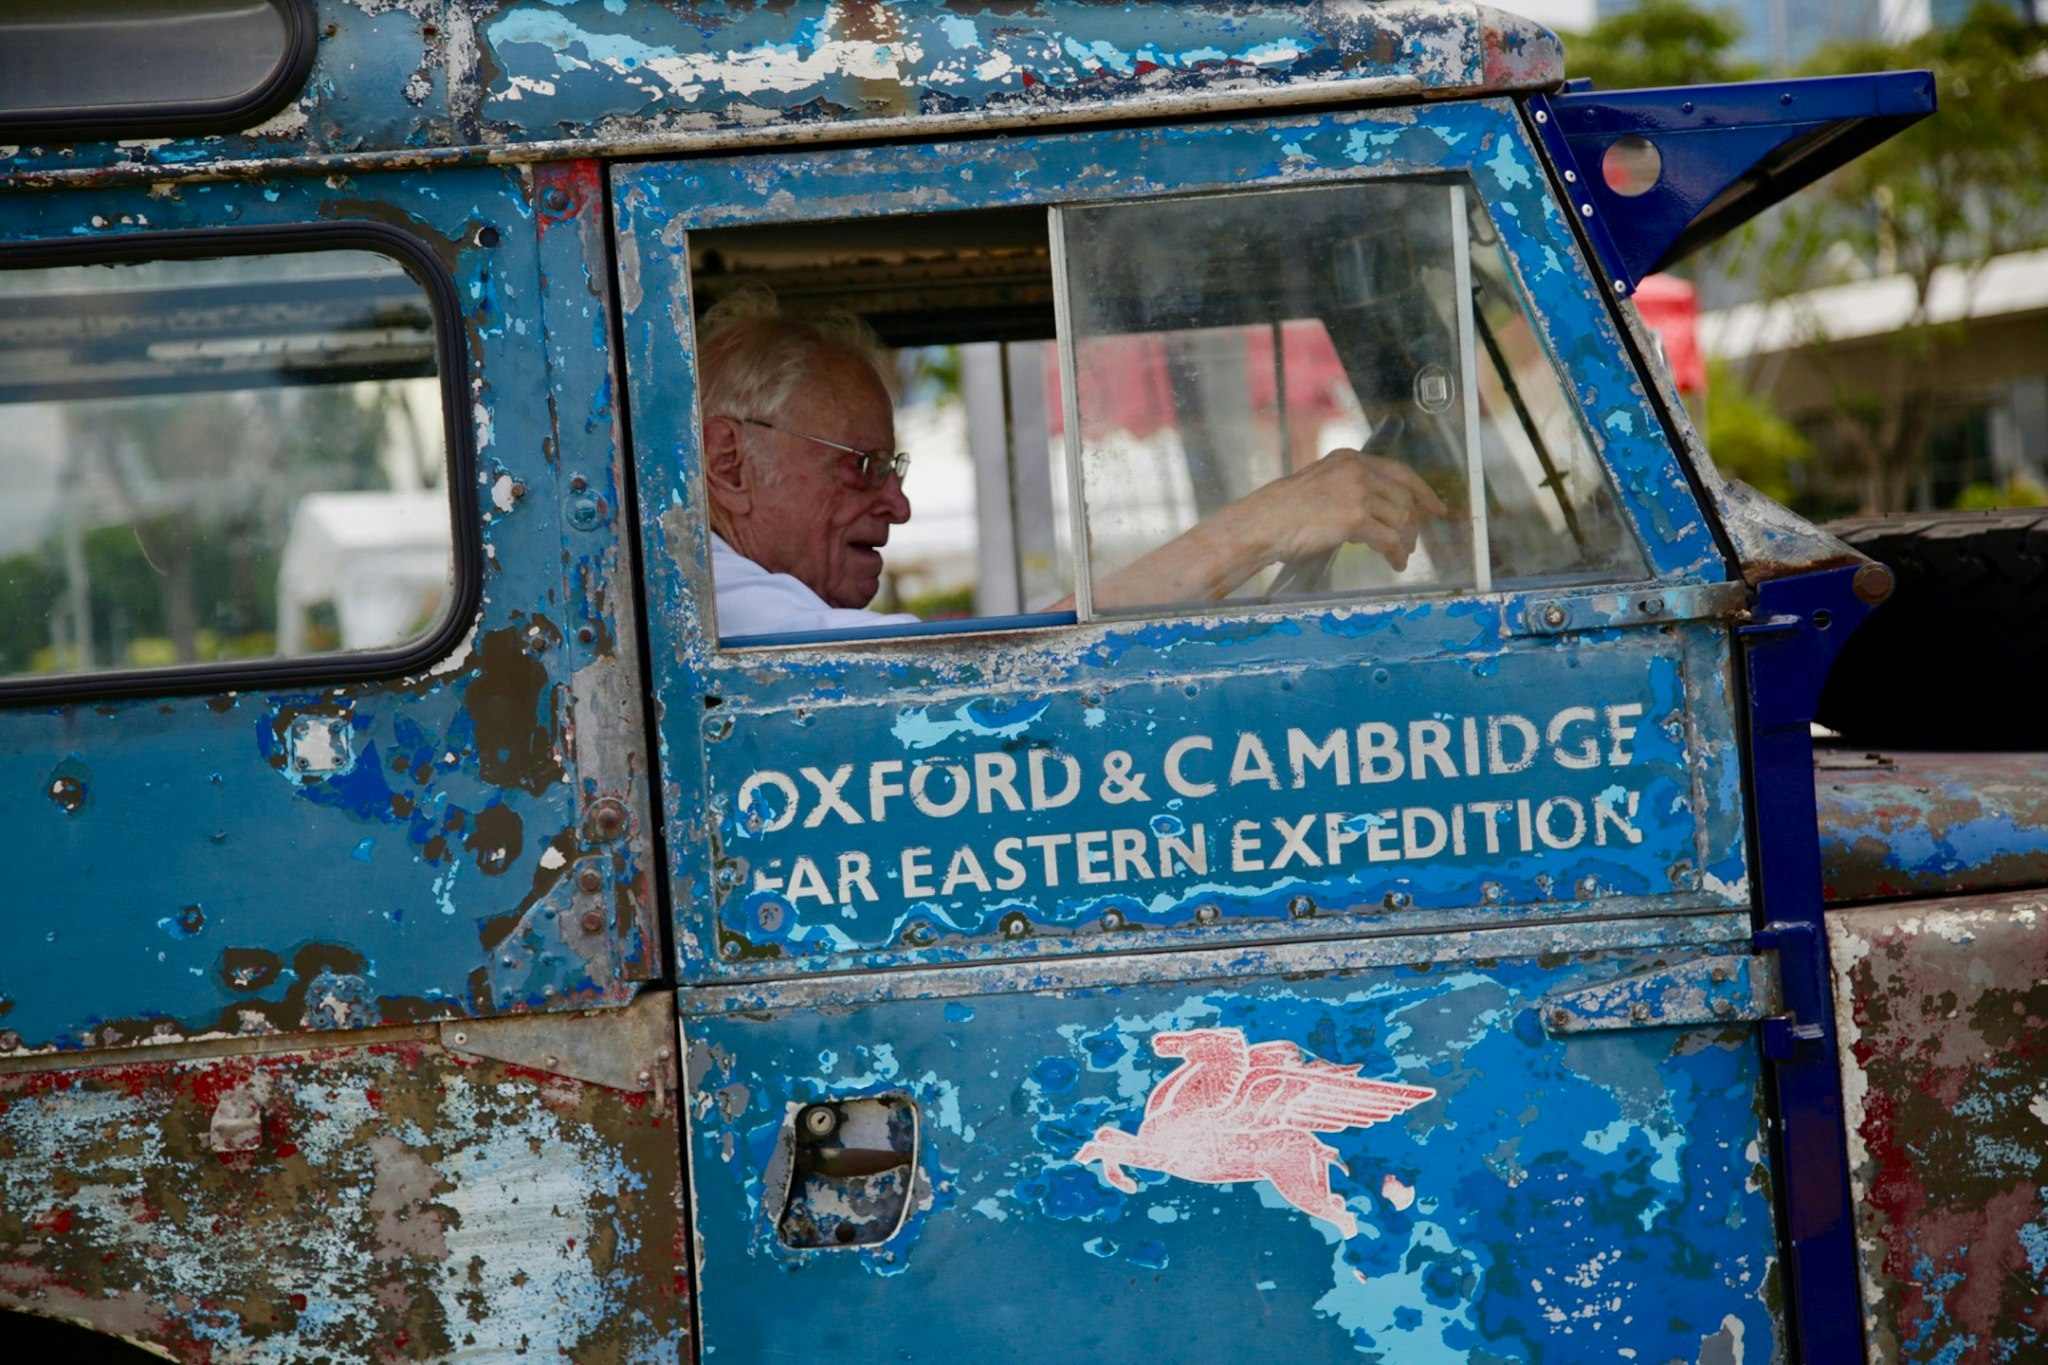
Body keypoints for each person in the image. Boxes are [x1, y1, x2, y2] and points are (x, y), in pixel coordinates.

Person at [698, 295, 1447, 638]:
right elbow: (973, 681)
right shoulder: (709, 604)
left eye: (893, 466)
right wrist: (1264, 526)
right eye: (861, 465)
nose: (898, 507)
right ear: (729, 461)